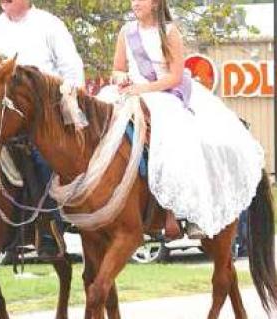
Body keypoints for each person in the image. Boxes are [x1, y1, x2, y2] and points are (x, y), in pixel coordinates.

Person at [99, 0, 265, 239]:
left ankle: (187, 212)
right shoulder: (126, 32)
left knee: (179, 139)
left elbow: (175, 77)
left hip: (164, 95)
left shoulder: (169, 32)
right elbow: (116, 69)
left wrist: (143, 89)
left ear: (156, 3)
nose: (135, 3)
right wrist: (121, 77)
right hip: (130, 93)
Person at [0, 0, 85, 257]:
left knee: (43, 157)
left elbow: (73, 72)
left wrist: (61, 99)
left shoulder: (50, 24)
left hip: (40, 113)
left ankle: (49, 228)